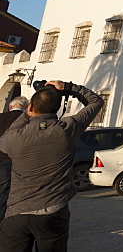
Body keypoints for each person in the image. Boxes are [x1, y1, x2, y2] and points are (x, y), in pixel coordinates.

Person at [0, 80, 104, 252]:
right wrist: (68, 88)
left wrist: (26, 114)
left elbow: (5, 140)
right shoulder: (67, 129)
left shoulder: (14, 138)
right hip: (53, 211)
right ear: (56, 108)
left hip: (17, 211)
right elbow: (96, 102)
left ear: (31, 107)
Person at [0, 96, 29, 220]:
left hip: (1, 159)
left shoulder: (1, 117)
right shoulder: (29, 120)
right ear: (26, 108)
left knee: (2, 192)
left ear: (10, 107)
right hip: (21, 161)